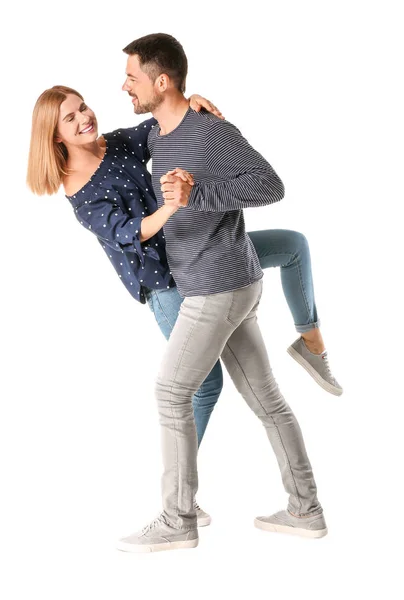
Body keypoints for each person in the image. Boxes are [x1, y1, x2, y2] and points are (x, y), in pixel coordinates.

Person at [115, 33, 329, 553]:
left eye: (132, 77)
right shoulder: (161, 138)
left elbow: (269, 186)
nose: (124, 86)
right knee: (268, 401)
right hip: (220, 285)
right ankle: (306, 510)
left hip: (220, 285)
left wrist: (200, 194)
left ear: (161, 81)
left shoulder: (209, 131)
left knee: (171, 392)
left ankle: (176, 520)